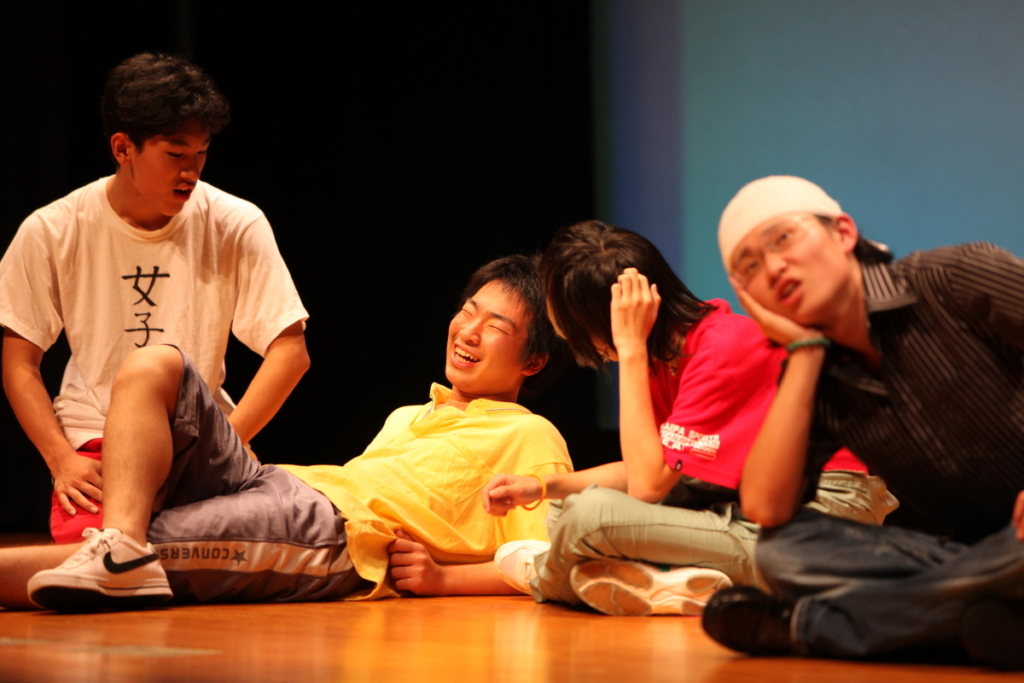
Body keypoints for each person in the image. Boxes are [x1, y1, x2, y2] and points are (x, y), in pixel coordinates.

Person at [0, 255, 573, 611]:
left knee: (149, 547)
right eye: (468, 312)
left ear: (534, 360)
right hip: (277, 481)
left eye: (495, 326)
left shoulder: (531, 434)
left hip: (331, 530)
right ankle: (120, 547)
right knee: (154, 363)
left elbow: (550, 561)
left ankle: (123, 554)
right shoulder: (409, 414)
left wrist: (444, 579)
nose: (468, 331)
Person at [480, 221, 894, 616]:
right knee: (565, 507)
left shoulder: (717, 348)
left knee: (590, 516)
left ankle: (545, 577)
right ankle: (670, 581)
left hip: (821, 521)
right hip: (743, 507)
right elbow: (649, 467)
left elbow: (646, 486)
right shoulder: (666, 353)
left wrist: (630, 349)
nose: (561, 332)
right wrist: (542, 486)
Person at [702, 175, 1024, 669]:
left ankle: (812, 626)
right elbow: (766, 507)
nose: (773, 266)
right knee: (781, 552)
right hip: (970, 553)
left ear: (844, 232)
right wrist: (805, 353)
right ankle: (980, 615)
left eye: (782, 239)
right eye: (750, 266)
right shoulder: (817, 376)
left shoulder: (953, 277)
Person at [0, 53, 309, 543]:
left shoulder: (235, 221)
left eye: (201, 153)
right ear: (123, 148)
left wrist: (227, 441)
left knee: (246, 545)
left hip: (200, 439)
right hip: (97, 439)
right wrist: (61, 460)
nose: (192, 172)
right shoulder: (51, 230)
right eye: (175, 154)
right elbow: (20, 361)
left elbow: (290, 350)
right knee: (103, 552)